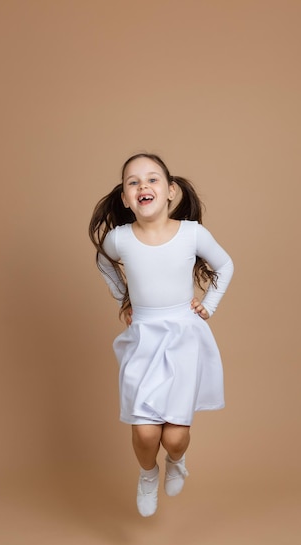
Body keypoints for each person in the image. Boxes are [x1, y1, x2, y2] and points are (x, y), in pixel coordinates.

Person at [89, 153, 234, 517]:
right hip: (144, 338)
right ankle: (148, 473)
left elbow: (225, 264)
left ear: (170, 191)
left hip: (184, 337)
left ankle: (176, 461)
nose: (142, 186)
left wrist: (209, 305)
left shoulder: (191, 233)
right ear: (124, 198)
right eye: (133, 182)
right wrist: (123, 298)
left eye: (152, 179)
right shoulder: (120, 239)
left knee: (173, 436)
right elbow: (103, 262)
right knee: (145, 432)